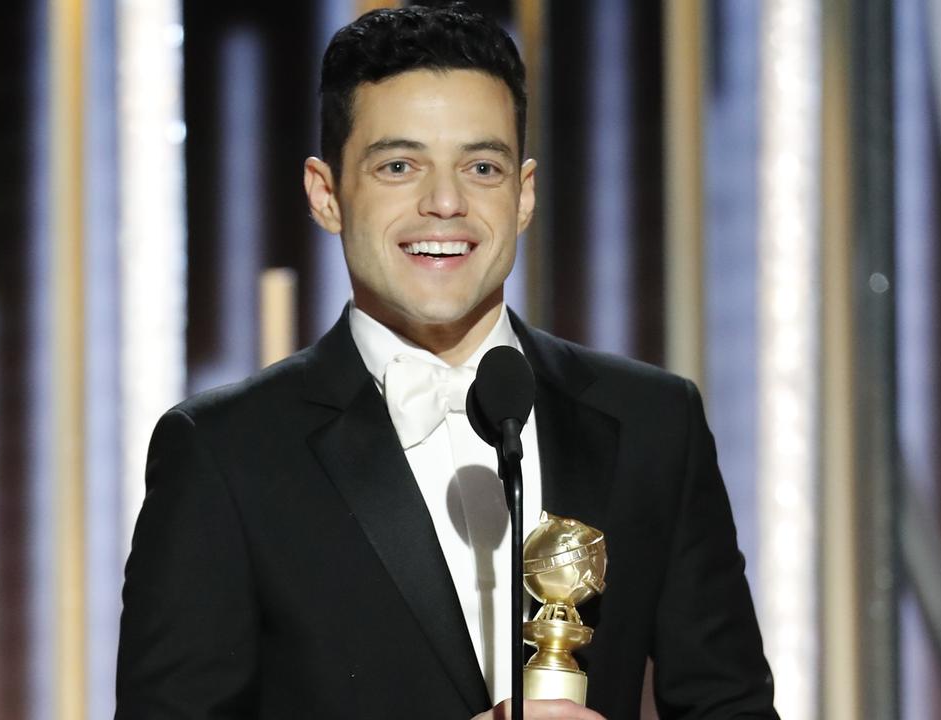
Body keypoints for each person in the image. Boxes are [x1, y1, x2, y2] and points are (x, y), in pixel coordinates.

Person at [116, 5, 778, 719]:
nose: (444, 203)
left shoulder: (652, 421)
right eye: (399, 166)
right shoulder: (225, 452)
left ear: (522, 195)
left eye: (481, 166)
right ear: (327, 193)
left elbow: (729, 706)